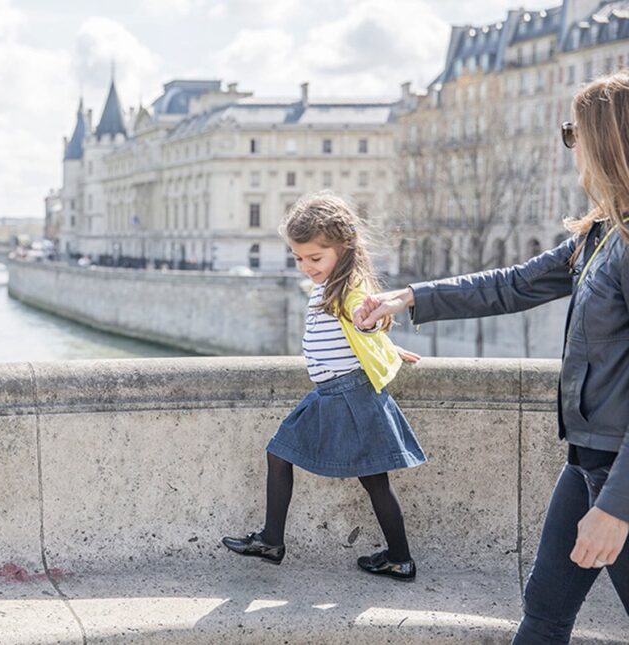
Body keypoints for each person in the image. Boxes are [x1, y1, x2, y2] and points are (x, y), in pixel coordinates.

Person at [356, 70, 629, 642]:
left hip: (617, 475)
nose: (570, 147)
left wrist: (617, 507)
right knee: (544, 611)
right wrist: (409, 297)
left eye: (573, 133)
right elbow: (512, 284)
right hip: (588, 462)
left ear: (608, 140)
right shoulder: (601, 234)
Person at [222, 191, 424, 581]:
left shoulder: (350, 288)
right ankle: (275, 540)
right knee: (288, 455)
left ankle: (397, 557)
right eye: (298, 258)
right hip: (332, 393)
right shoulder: (331, 282)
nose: (305, 267)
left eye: (314, 258)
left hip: (350, 394)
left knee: (370, 479)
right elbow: (360, 334)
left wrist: (380, 337)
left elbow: (368, 321)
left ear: (343, 247)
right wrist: (386, 347)